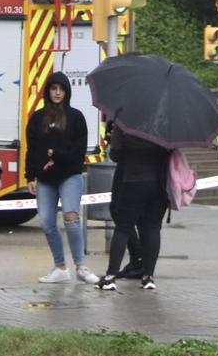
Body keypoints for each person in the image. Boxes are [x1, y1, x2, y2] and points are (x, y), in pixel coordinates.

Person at [26, 72, 98, 283]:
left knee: (71, 219)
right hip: (45, 179)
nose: (57, 93)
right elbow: (32, 149)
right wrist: (30, 175)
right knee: (47, 223)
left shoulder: (76, 117)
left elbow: (79, 153)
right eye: (53, 89)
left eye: (61, 89)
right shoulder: (38, 118)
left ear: (67, 92)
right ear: (48, 91)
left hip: (70, 176)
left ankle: (81, 266)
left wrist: (56, 155)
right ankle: (60, 267)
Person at [98, 124, 169, 291]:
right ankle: (148, 277)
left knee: (123, 228)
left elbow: (115, 155)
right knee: (152, 229)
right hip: (159, 183)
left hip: (132, 182)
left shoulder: (125, 123)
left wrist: (114, 137)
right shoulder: (164, 124)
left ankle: (110, 277)